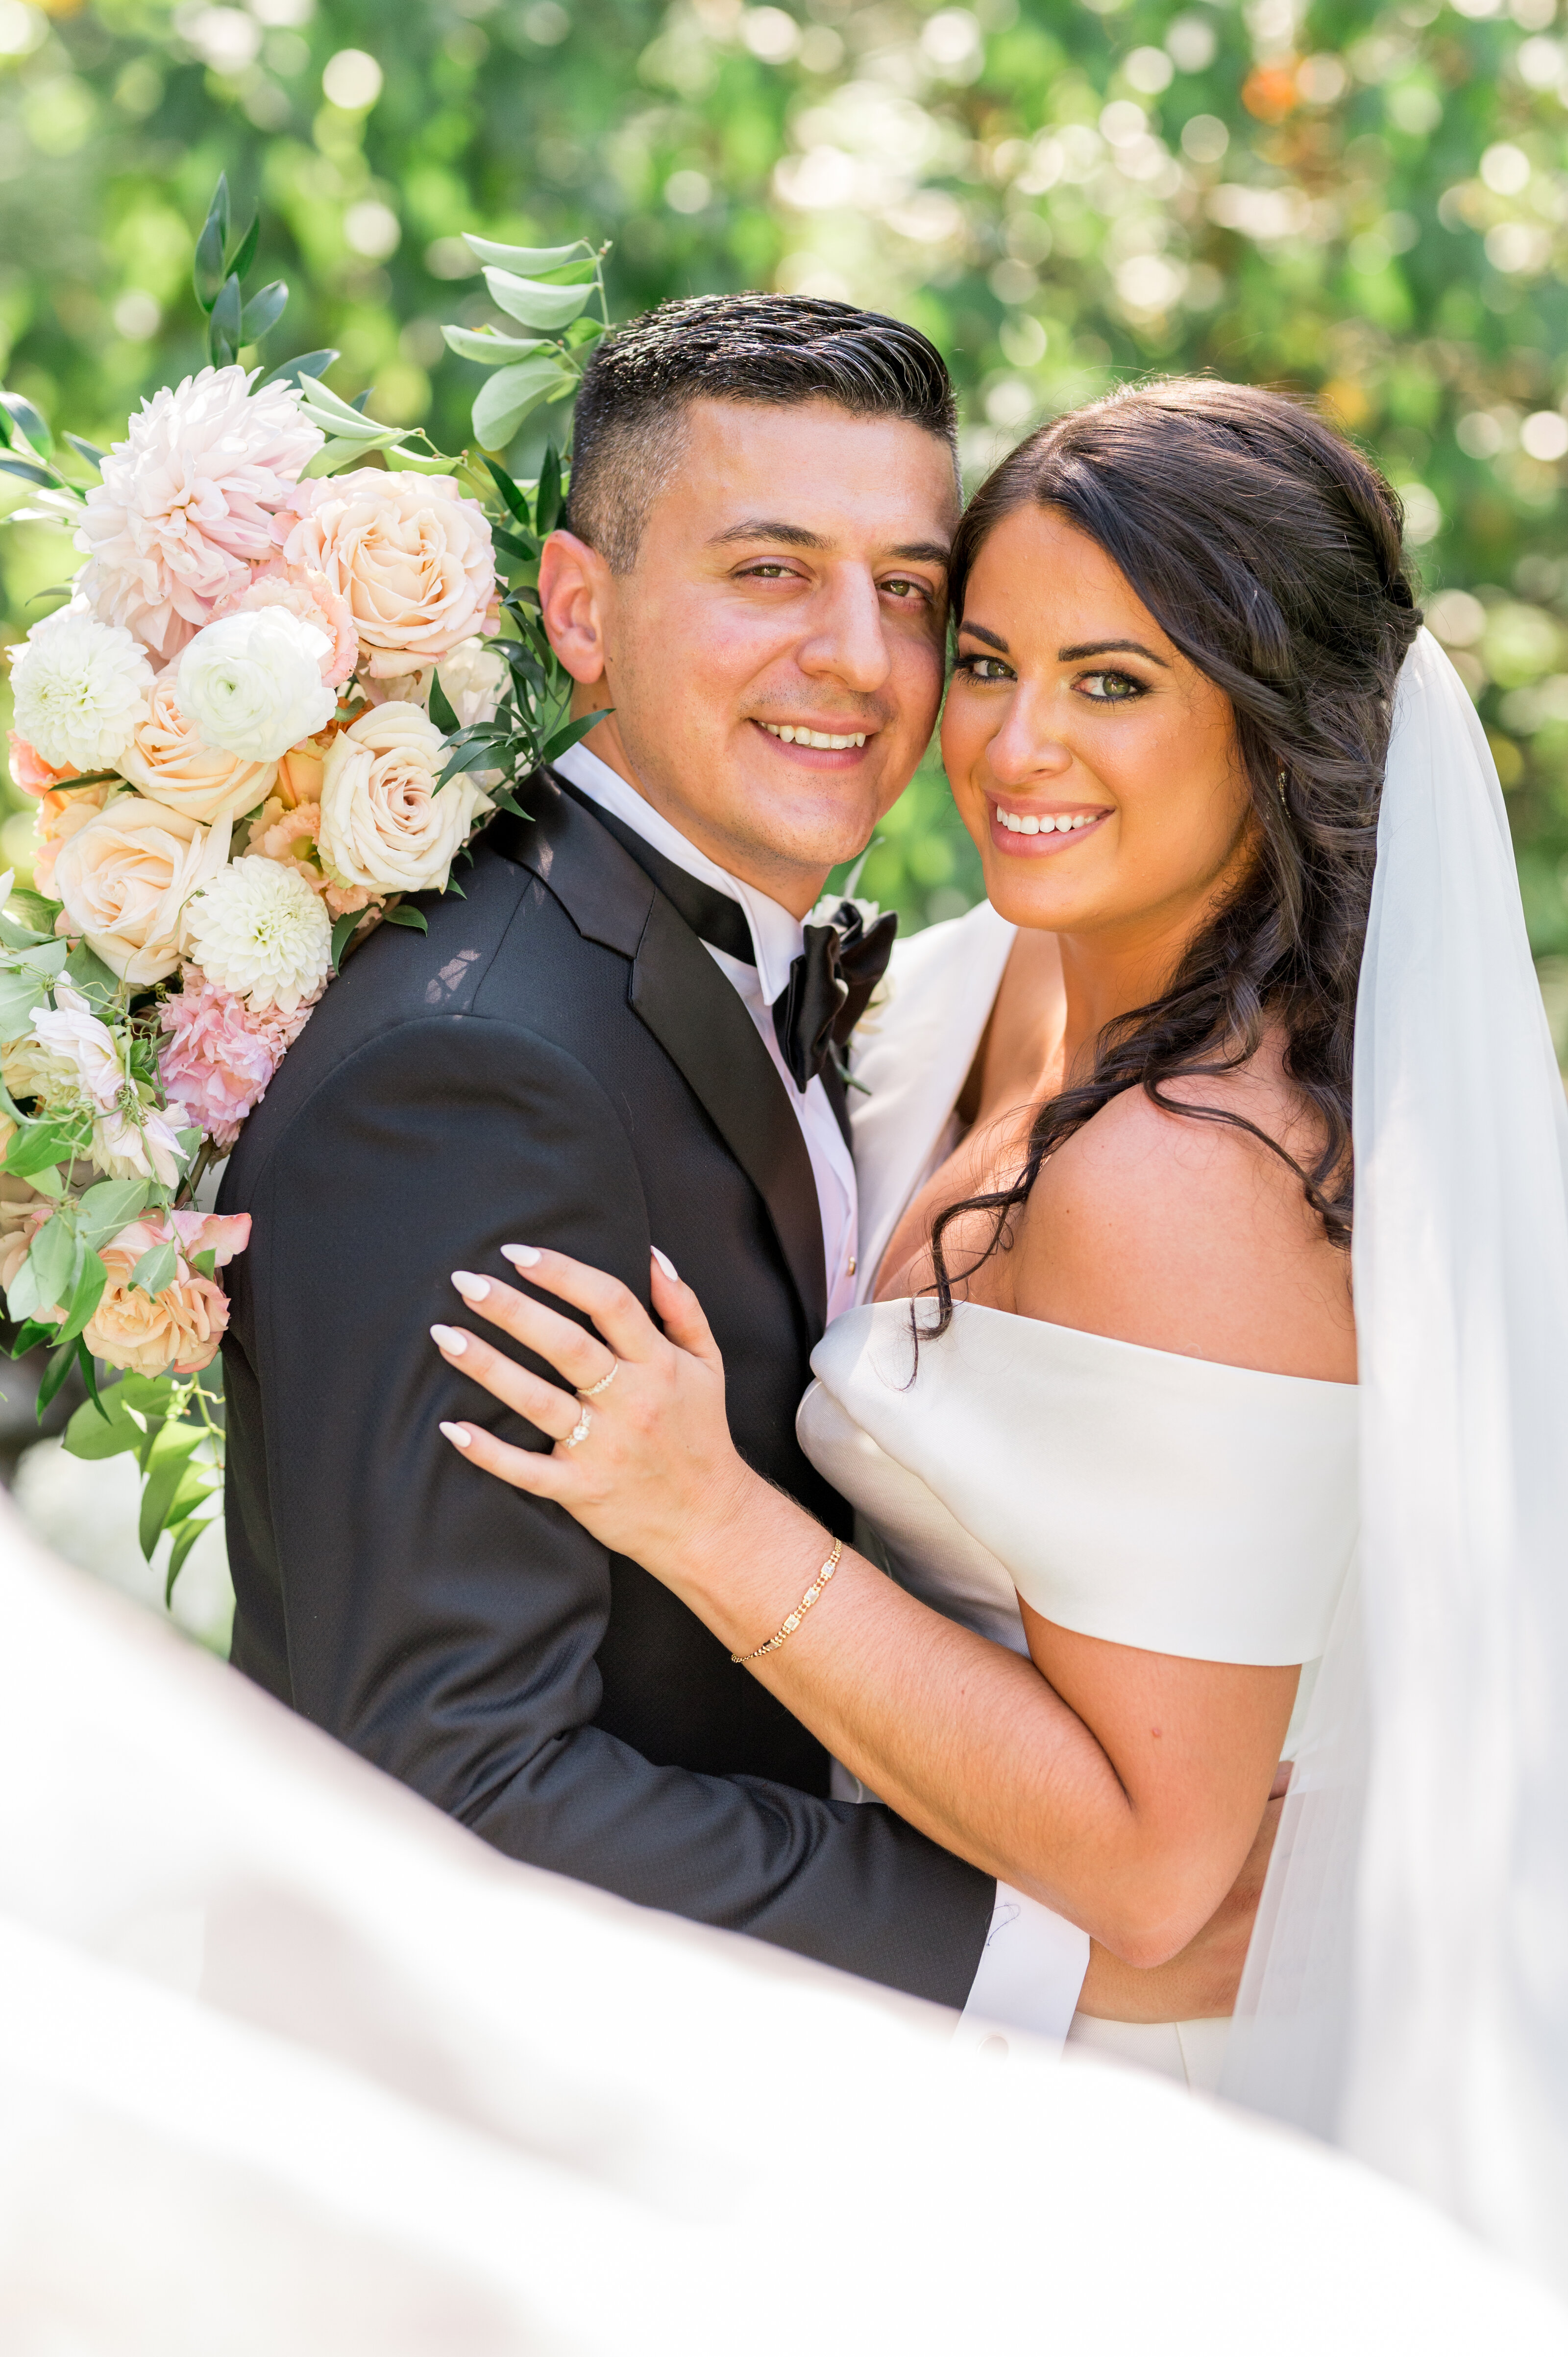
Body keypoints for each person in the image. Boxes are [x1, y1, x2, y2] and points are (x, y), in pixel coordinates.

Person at [220, 302, 1251, 2044]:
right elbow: (461, 1786)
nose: (857, 655)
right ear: (580, 612)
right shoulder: (479, 1072)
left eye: (910, 588)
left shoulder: (822, 980)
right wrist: (1045, 1952)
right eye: (771, 570)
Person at [430, 378, 1413, 2091]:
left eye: (1115, 683)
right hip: (900, 2006)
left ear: (1274, 723)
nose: (1012, 747)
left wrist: (705, 1517)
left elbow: (1156, 1871)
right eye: (986, 660)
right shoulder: (984, 976)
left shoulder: (1191, 1171)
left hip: (1121, 2082)